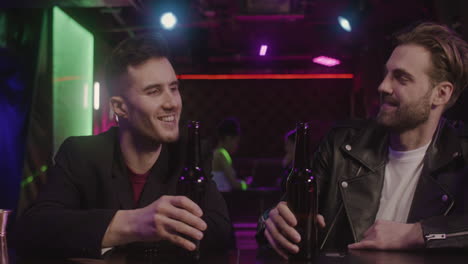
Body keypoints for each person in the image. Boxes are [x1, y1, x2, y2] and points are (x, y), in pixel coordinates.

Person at [257, 22, 468, 259]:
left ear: (441, 93)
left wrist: (419, 233)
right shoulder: (341, 145)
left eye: (401, 78)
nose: (383, 86)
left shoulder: (461, 156)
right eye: (386, 74)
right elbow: (285, 214)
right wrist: (270, 222)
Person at [13, 34, 232, 258]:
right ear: (120, 107)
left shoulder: (190, 154)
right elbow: (33, 230)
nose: (172, 103)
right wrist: (132, 224)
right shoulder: (81, 154)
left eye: (173, 88)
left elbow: (221, 235)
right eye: (154, 91)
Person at [211, 118, 246, 191]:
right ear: (228, 138)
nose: (237, 146)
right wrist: (246, 184)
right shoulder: (222, 154)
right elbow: (234, 184)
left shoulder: (214, 153)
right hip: (222, 199)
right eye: (236, 141)